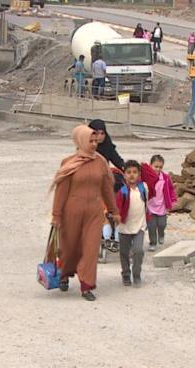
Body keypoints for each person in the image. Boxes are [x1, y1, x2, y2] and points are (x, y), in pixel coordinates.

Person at [51, 125, 120, 301]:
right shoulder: (69, 163)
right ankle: (64, 274)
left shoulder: (101, 163)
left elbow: (107, 189)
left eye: (96, 141)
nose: (94, 144)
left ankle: (86, 286)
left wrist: (114, 210)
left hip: (94, 213)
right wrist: (56, 215)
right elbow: (61, 192)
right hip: (71, 212)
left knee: (91, 249)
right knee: (69, 247)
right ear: (80, 141)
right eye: (90, 141)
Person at [115, 160, 148, 287]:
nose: (132, 175)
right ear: (124, 175)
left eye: (135, 172)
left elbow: (154, 177)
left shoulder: (143, 188)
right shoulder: (122, 192)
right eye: (128, 172)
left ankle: (136, 274)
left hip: (140, 226)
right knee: (124, 253)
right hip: (124, 228)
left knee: (138, 251)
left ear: (139, 174)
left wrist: (144, 166)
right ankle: (126, 274)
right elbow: (117, 208)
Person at [144, 155, 177, 252]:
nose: (158, 169)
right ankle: (152, 243)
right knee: (151, 226)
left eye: (160, 167)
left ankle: (161, 234)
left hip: (162, 206)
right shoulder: (146, 178)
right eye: (156, 166)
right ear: (150, 166)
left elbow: (170, 189)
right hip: (150, 207)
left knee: (162, 224)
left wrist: (172, 200)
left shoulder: (165, 178)